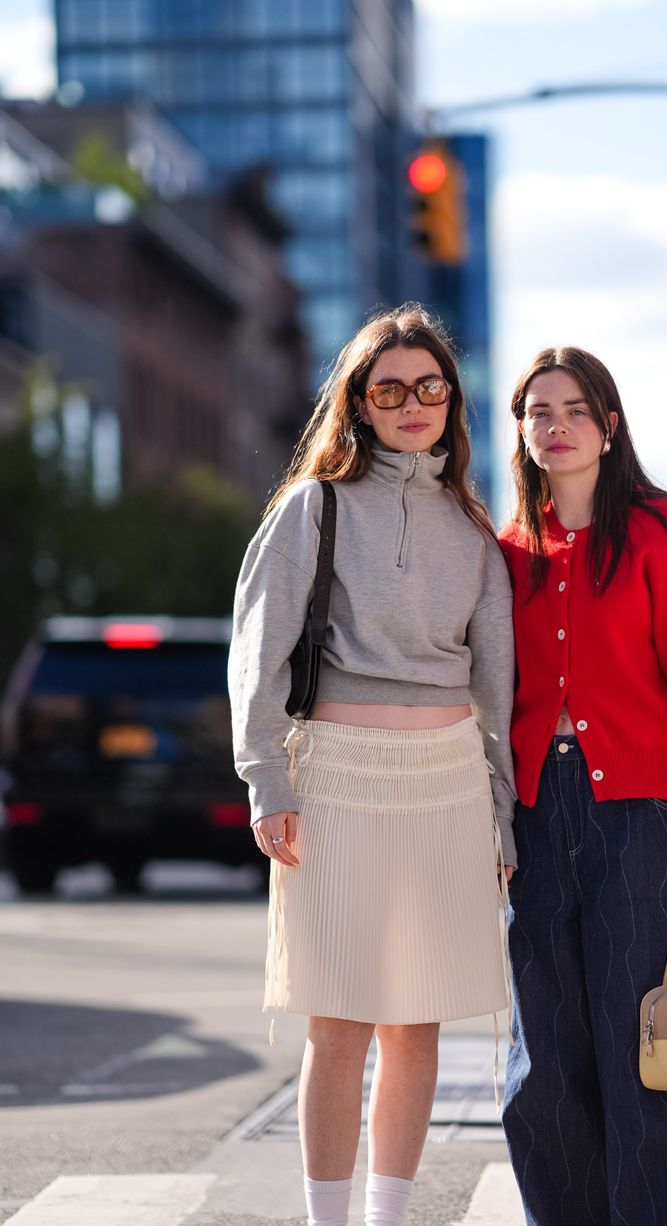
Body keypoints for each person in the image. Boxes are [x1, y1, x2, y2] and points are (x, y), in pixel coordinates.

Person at [228, 304, 517, 1226]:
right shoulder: (314, 507)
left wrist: (503, 816)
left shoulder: (476, 532)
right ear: (357, 403)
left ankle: (389, 1220)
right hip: (337, 778)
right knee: (340, 1022)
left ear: (452, 402)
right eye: (388, 388)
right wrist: (267, 779)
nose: (412, 403)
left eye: (430, 387)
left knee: (416, 1024)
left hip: (447, 788)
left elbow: (499, 700)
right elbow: (257, 652)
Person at [497, 346, 667, 1226]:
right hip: (533, 817)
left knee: (651, 1051)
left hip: (639, 817)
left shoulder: (665, 530)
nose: (554, 425)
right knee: (543, 1064)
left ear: (608, 425)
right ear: (522, 433)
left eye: (572, 409)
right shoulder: (506, 549)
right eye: (536, 412)